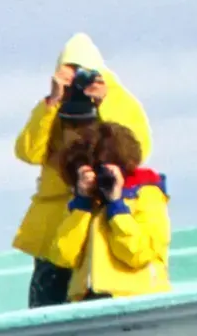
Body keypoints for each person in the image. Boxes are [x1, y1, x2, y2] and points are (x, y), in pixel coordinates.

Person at [12, 34, 154, 307]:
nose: (78, 80)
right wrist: (52, 103)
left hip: (104, 215)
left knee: (99, 291)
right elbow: (28, 152)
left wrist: (105, 104)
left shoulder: (119, 100)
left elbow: (138, 150)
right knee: (47, 298)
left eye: (84, 73)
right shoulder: (52, 107)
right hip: (55, 224)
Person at [38, 120, 170, 300]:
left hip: (136, 297)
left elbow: (139, 253)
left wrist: (117, 207)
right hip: (88, 299)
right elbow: (63, 256)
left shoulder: (146, 195)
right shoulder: (81, 204)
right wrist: (82, 205)